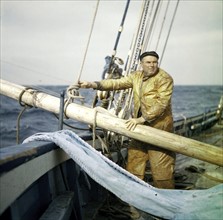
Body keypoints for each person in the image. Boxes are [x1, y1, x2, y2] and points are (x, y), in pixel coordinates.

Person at [79, 51, 175, 189]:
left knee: (161, 169)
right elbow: (116, 83)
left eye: (154, 62)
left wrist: (142, 119)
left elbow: (161, 104)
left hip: (159, 128)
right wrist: (93, 84)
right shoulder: (136, 76)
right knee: (135, 162)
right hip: (139, 127)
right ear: (141, 64)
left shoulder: (164, 78)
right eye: (148, 62)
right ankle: (134, 197)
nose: (152, 65)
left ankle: (169, 203)